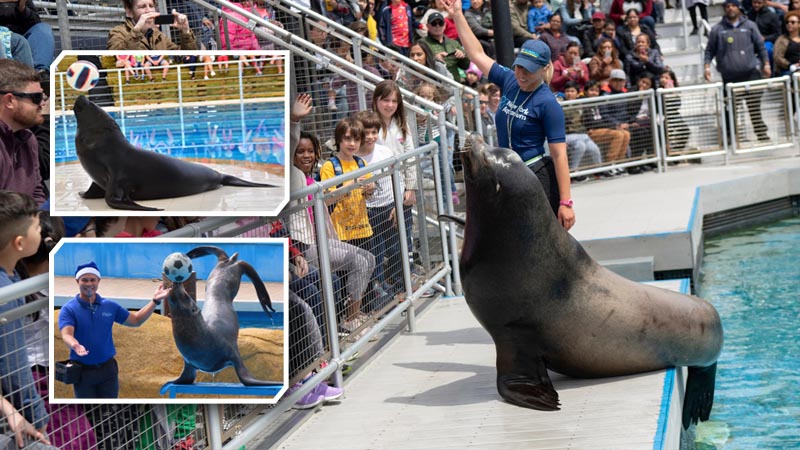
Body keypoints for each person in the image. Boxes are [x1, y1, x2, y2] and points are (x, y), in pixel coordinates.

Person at [445, 0, 576, 229]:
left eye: (529, 69)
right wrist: (457, 14)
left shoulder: (547, 104)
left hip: (535, 176)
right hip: (508, 172)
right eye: (519, 66)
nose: (521, 74)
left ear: (544, 69)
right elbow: (476, 54)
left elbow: (559, 156)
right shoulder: (510, 80)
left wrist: (566, 202)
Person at [58, 261, 170, 398]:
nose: (89, 284)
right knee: (88, 412)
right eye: (84, 280)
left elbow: (135, 320)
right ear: (77, 281)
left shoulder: (109, 306)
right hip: (83, 372)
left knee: (110, 411)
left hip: (108, 370)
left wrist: (155, 301)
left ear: (98, 281)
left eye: (92, 280)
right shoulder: (69, 309)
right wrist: (75, 345)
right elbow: (66, 334)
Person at [0, 191, 48, 435]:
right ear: (19, 243)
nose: (43, 233)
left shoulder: (12, 276)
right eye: (38, 228)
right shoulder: (6, 295)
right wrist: (38, 418)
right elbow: (13, 365)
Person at [704, 0, 770, 143]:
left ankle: (761, 133)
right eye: (727, 6)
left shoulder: (750, 26)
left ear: (739, 8)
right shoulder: (717, 29)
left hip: (751, 73)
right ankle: (731, 136)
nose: (730, 8)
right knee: (730, 108)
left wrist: (766, 64)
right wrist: (707, 66)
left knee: (754, 107)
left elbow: (761, 47)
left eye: (733, 5)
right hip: (730, 76)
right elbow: (709, 50)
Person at [0, 59, 45, 206]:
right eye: (36, 98)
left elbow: (37, 194)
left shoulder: (28, 139)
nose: (43, 103)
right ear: (9, 101)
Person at [107, 0, 197, 50]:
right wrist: (137, 30)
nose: (149, 10)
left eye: (151, 6)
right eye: (142, 7)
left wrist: (186, 32)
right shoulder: (117, 32)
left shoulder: (158, 34)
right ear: (129, 11)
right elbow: (116, 56)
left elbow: (185, 56)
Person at [582, 79, 630, 174]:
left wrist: (613, 125)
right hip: (592, 131)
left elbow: (603, 118)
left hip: (603, 128)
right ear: (586, 92)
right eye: (591, 90)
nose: (594, 93)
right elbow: (591, 122)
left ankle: (619, 163)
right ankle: (610, 163)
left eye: (596, 90)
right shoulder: (584, 104)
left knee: (626, 134)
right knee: (618, 135)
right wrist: (611, 126)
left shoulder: (599, 102)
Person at [0, 0, 54, 72]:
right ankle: (28, 78)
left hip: (22, 33)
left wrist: (22, 8)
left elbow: (35, 22)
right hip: (4, 35)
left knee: (43, 28)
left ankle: (41, 71)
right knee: (19, 40)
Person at [561, 81, 603, 173]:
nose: (569, 94)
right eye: (567, 91)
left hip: (582, 134)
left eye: (572, 91)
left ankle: (599, 170)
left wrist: (589, 128)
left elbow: (587, 119)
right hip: (568, 135)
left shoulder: (581, 103)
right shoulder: (560, 105)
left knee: (594, 149)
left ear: (577, 93)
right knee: (580, 146)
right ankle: (573, 171)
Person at [421, 12, 471, 83]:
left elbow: (465, 66)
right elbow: (416, 64)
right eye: (434, 24)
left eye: (440, 23)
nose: (437, 26)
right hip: (433, 83)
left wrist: (463, 56)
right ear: (427, 26)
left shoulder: (454, 43)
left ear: (444, 25)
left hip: (454, 83)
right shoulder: (421, 43)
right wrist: (434, 59)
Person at [774, 11, 800, 75]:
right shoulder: (782, 39)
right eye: (787, 22)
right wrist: (790, 65)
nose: (789, 24)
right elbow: (777, 57)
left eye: (793, 22)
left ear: (799, 24)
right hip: (787, 70)